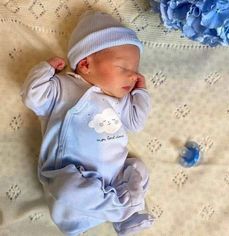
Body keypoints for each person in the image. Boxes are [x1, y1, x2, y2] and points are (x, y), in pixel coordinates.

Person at [20, 10, 155, 236]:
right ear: (85, 64)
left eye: (135, 70)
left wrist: (140, 93)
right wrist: (46, 70)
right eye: (124, 68)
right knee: (67, 189)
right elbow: (31, 95)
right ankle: (125, 210)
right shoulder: (62, 88)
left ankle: (123, 216)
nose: (132, 76)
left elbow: (136, 122)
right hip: (69, 177)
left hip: (113, 180)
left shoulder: (116, 100)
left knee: (138, 168)